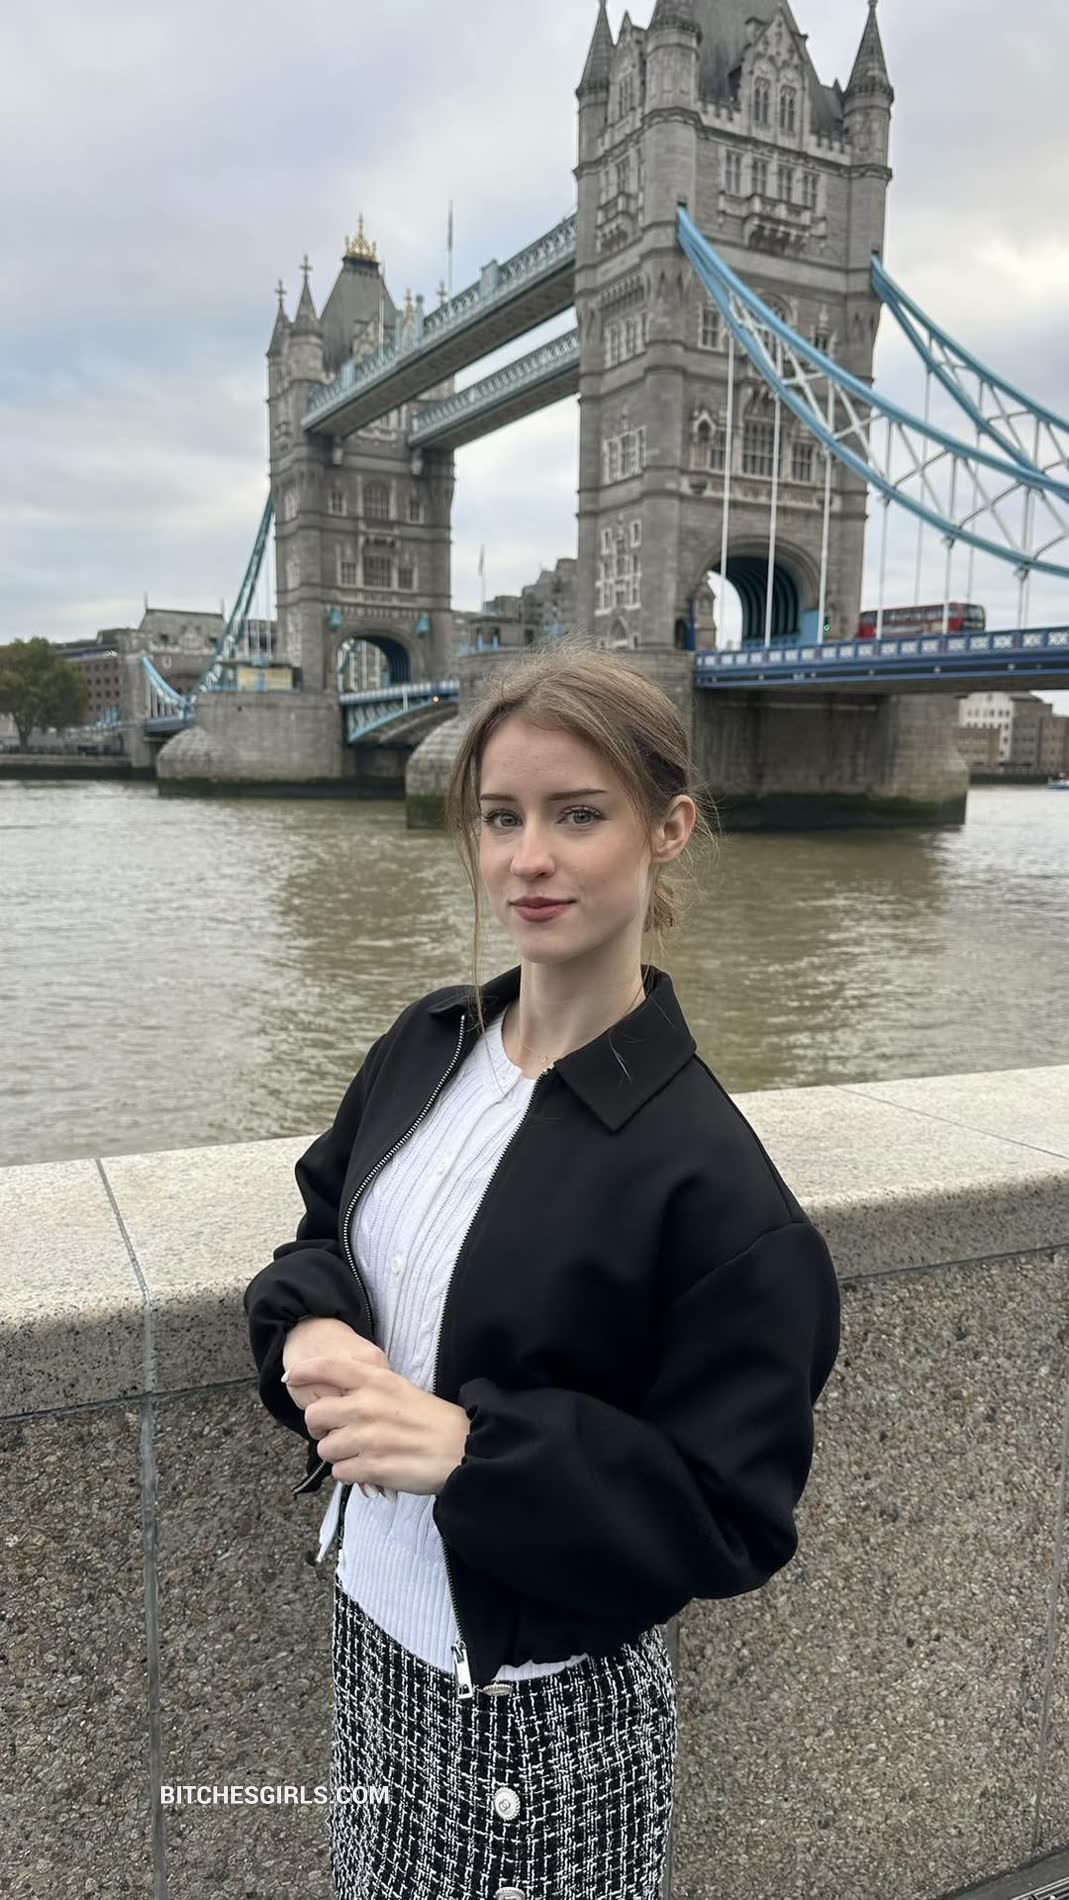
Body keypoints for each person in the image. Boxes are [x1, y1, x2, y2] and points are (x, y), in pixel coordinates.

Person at [243, 635, 842, 1900]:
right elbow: (321, 1235)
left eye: (578, 814)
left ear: (668, 828)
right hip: (369, 1633)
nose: (526, 858)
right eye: (500, 815)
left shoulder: (713, 1182)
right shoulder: (424, 1045)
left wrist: (474, 1451)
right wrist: (306, 1328)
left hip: (539, 1720)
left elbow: (732, 1515)